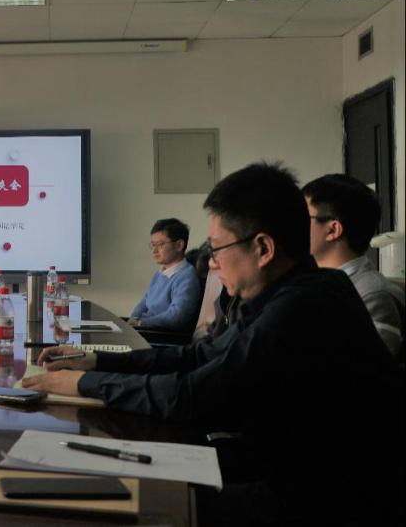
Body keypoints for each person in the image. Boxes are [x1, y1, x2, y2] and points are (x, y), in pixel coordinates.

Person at [22, 163, 402, 526]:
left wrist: (81, 385)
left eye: (217, 249)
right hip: (281, 466)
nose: (212, 264)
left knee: (141, 501)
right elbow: (199, 356)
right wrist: (94, 360)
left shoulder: (302, 306)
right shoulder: (284, 292)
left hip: (326, 500)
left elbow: (192, 397)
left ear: (263, 248)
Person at [303, 174, 404, 356]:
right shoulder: (309, 285)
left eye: (302, 217)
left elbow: (371, 367)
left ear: (333, 230)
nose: (293, 226)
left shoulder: (373, 294)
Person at [128, 218, 201, 331]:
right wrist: (132, 320)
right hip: (145, 328)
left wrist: (141, 323)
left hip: (161, 334)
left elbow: (176, 317)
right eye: (153, 245)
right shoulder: (159, 274)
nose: (154, 251)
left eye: (160, 244)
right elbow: (143, 304)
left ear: (179, 245)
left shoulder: (187, 277)